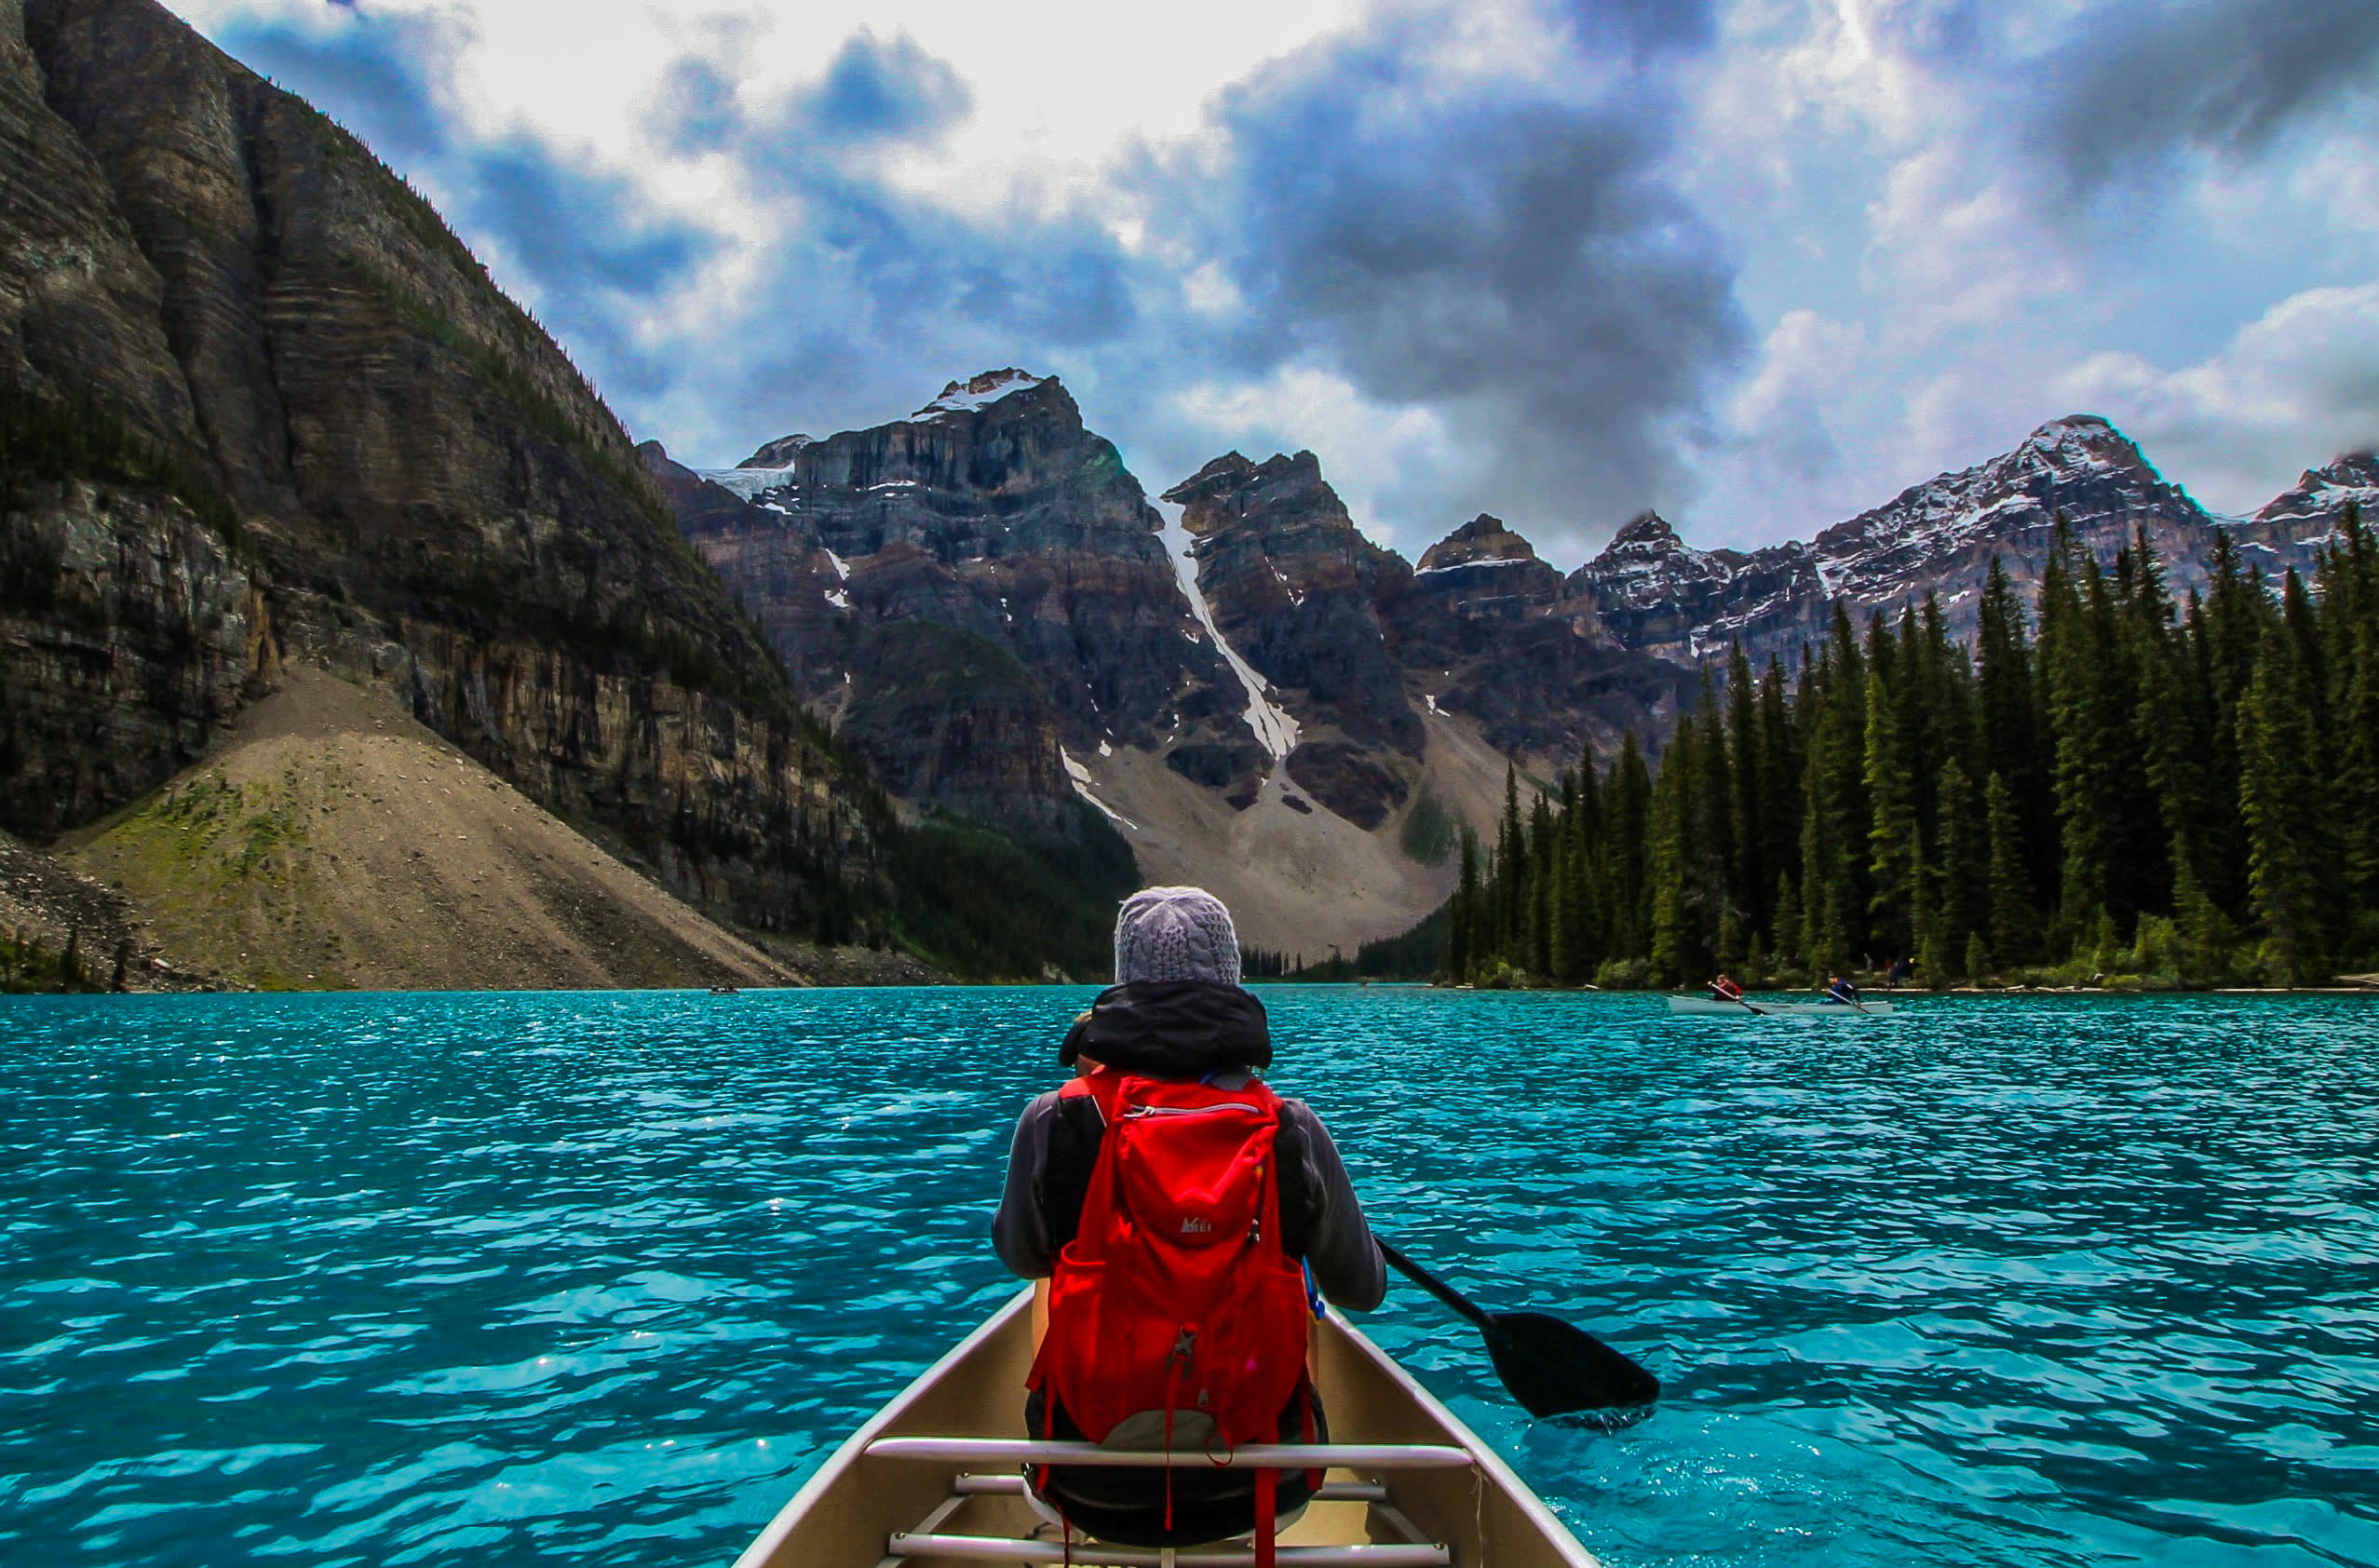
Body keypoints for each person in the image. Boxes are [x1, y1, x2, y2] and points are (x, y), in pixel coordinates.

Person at [994, 886, 1385, 1548]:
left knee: (1053, 1273)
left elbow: (1020, 1257)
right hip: (1268, 1489)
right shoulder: (1287, 1127)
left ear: (1122, 982)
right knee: (1297, 1279)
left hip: (1086, 1491)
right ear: (1229, 977)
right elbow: (1364, 1291)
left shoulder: (1052, 1118)